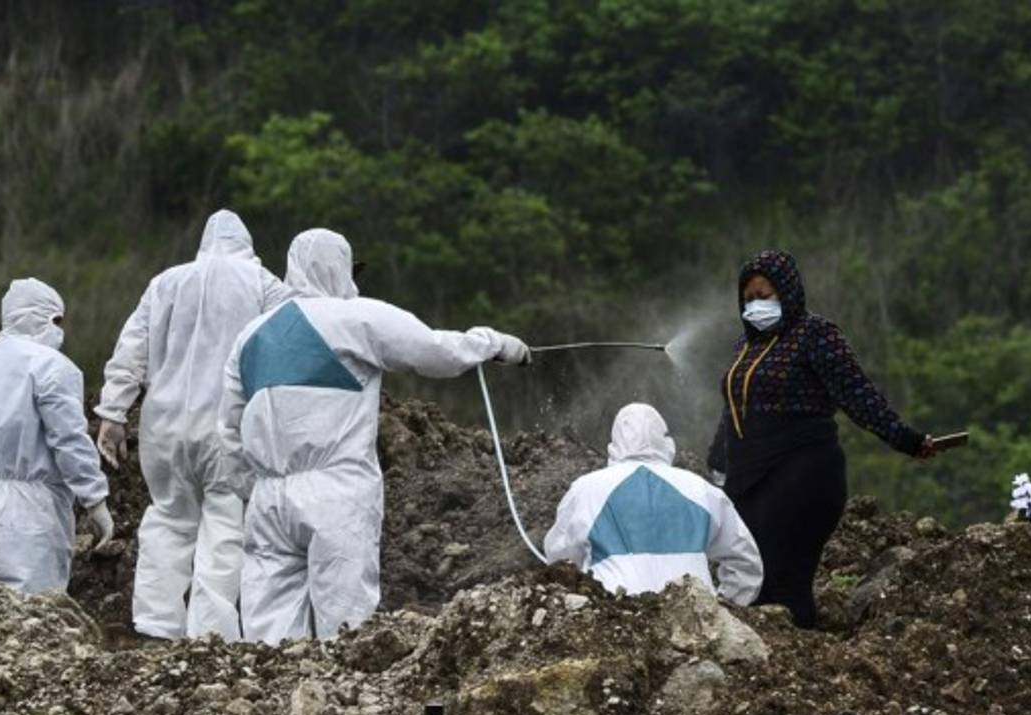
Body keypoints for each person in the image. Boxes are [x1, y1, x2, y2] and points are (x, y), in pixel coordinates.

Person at [219, 227, 531, 645]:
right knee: (344, 631)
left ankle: (275, 707)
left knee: (269, 639)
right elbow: (435, 351)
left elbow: (228, 429)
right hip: (336, 491)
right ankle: (335, 708)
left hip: (268, 499)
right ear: (341, 268)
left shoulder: (250, 335)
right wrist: (491, 343)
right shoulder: (357, 317)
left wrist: (252, 489)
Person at [707, 249, 934, 628]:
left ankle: (800, 660)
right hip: (751, 476)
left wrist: (906, 439)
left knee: (780, 575)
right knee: (750, 573)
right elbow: (734, 408)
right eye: (748, 299)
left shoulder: (816, 335)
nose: (755, 306)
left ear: (788, 292)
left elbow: (858, 395)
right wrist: (717, 460)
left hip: (803, 472)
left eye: (765, 296)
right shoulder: (745, 347)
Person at [95, 209, 292, 642]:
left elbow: (132, 348)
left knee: (168, 518)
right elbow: (290, 340)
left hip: (162, 427)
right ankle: (210, 635)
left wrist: (112, 413)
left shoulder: (165, 282)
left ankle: (154, 624)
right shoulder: (264, 285)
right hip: (227, 426)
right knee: (224, 522)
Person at [0, 278, 113, 594]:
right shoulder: (53, 368)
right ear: (40, 317)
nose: (60, 330)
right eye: (56, 320)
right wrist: (94, 498)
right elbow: (69, 439)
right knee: (29, 621)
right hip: (26, 513)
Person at [544, 403, 762, 604]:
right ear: (666, 442)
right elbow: (744, 563)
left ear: (614, 444)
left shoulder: (585, 490)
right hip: (694, 618)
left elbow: (561, 561)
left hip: (613, 620)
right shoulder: (703, 491)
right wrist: (723, 609)